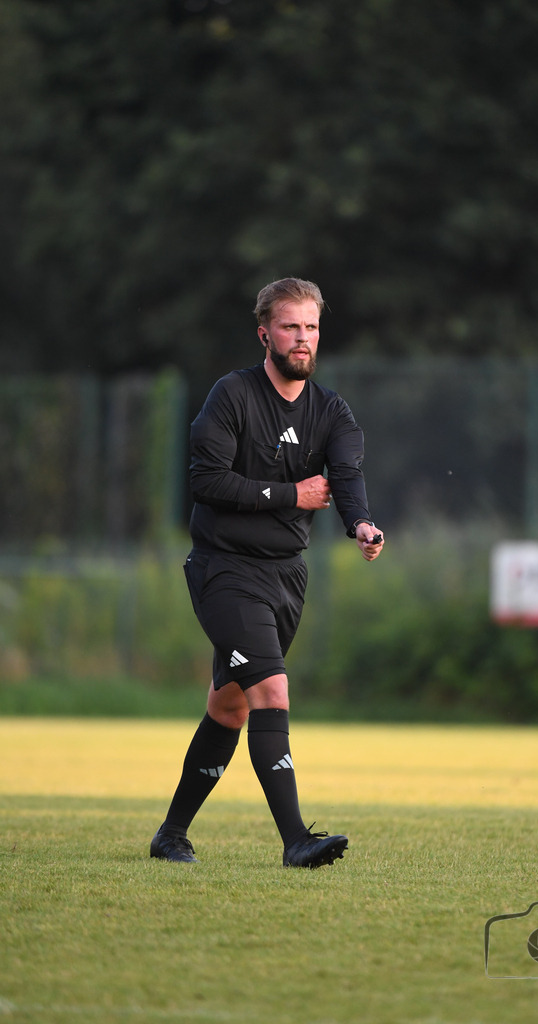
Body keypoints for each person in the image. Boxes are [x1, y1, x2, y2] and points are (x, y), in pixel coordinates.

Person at [150, 277, 384, 869]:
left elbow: (346, 477)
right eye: (289, 327)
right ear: (264, 333)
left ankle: (171, 835)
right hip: (223, 571)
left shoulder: (331, 409)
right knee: (271, 691)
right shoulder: (231, 396)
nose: (301, 339)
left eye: (310, 328)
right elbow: (204, 481)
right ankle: (295, 841)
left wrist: (360, 524)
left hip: (286, 577)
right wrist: (290, 494)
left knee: (230, 707)